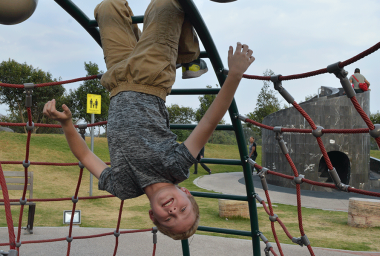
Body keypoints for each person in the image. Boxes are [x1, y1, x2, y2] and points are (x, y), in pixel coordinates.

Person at [43, 0, 255, 240]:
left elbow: (85, 156)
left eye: (169, 218)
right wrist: (235, 75)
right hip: (151, 75)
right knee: (167, 4)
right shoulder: (175, 166)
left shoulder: (122, 187)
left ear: (153, 216)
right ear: (187, 193)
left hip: (116, 77)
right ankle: (189, 55)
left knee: (107, 8)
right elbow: (208, 122)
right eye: (183, 210)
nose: (173, 210)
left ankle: (181, 52)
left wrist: (67, 124)